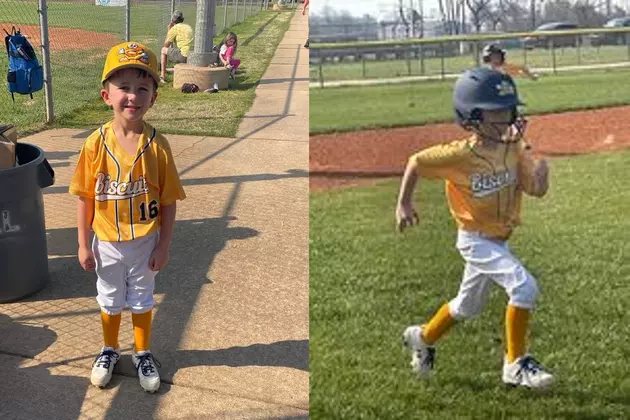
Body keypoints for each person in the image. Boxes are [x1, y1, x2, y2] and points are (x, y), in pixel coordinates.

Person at [397, 67, 554, 389]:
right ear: (472, 116)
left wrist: (541, 176)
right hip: (474, 240)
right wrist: (404, 203)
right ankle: (515, 363)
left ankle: (422, 337)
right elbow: (416, 161)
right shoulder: (458, 155)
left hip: (499, 241)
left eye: (508, 110)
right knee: (524, 287)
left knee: (466, 307)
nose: (506, 118)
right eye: (496, 112)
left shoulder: (513, 148)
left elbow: (534, 190)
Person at [69, 41, 186, 393]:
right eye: (123, 87)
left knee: (141, 298)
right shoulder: (94, 144)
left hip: (145, 241)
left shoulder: (158, 145)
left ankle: (142, 352)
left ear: (154, 97)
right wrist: (81, 245)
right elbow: (85, 197)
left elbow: (168, 201)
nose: (132, 95)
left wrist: (164, 245)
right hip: (105, 241)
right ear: (107, 95)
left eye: (142, 87)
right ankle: (108, 349)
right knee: (109, 297)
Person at [160, 10, 193, 83]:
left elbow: (166, 45)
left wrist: (169, 30)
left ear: (172, 20)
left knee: (163, 50)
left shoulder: (174, 29)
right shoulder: (188, 26)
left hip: (184, 55)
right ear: (182, 19)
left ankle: (162, 75)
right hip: (192, 55)